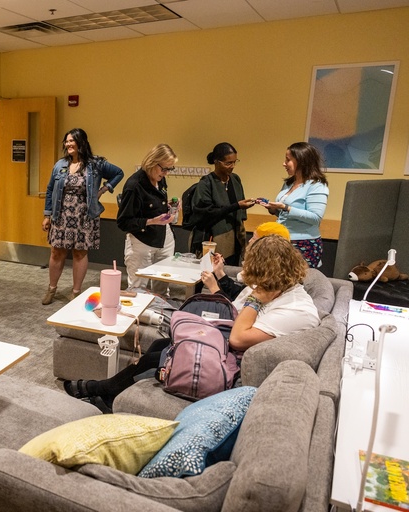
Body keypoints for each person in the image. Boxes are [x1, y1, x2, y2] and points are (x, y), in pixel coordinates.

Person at [63, 234, 319, 411]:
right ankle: (109, 393)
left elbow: (238, 338)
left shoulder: (295, 309)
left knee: (161, 353)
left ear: (268, 272)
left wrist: (255, 297)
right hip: (227, 343)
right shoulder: (280, 289)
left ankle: (105, 390)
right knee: (163, 345)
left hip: (233, 364)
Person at [41, 128, 124, 305]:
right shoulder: (60, 165)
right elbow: (50, 190)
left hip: (84, 216)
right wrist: (47, 215)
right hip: (60, 215)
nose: (68, 144)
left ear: (81, 143)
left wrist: (103, 189)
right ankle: (52, 289)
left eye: (72, 141)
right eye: (67, 141)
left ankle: (76, 292)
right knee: (56, 252)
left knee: (80, 253)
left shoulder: (96, 164)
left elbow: (119, 173)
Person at [116, 144, 177, 293]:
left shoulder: (160, 179)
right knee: (139, 289)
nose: (166, 173)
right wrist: (151, 221)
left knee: (162, 284)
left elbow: (153, 204)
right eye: (164, 169)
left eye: (170, 169)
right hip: (141, 241)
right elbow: (123, 222)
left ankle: (161, 314)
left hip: (164, 237)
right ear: (152, 162)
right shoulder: (134, 185)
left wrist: (168, 206)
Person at [257, 142, 329, 268]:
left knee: (295, 283)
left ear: (302, 161)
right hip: (283, 240)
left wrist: (286, 207)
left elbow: (316, 218)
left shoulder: (317, 185)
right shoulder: (289, 183)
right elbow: (284, 214)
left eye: (288, 160)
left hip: (304, 244)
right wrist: (273, 209)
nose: (284, 163)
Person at [189, 142, 255, 265]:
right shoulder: (206, 182)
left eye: (235, 162)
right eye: (228, 163)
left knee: (229, 274)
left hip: (235, 238)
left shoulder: (235, 179)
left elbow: (241, 212)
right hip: (213, 239)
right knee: (211, 274)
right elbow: (207, 212)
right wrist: (237, 206)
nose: (232, 166)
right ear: (216, 161)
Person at [200, 221, 291, 300]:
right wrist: (219, 273)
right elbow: (239, 295)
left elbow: (235, 311)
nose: (250, 241)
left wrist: (214, 288)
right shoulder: (269, 272)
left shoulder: (269, 283)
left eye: (254, 238)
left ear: (265, 247)